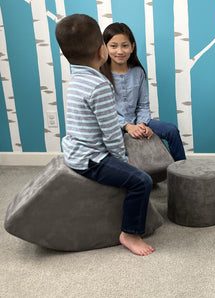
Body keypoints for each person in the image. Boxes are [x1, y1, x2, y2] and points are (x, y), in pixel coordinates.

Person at [55, 14, 154, 256]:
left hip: (75, 150)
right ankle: (129, 233)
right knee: (142, 181)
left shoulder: (77, 77)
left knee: (135, 175)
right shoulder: (100, 86)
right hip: (91, 158)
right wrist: (123, 160)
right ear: (102, 51)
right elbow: (111, 134)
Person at [100, 22, 186, 161]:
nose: (120, 51)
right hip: (115, 126)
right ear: (105, 47)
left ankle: (181, 171)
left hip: (138, 121)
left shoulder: (138, 72)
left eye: (125, 45)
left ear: (132, 47)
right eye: (113, 46)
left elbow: (143, 105)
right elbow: (104, 111)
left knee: (171, 130)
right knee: (116, 143)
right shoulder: (101, 76)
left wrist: (142, 124)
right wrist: (128, 127)